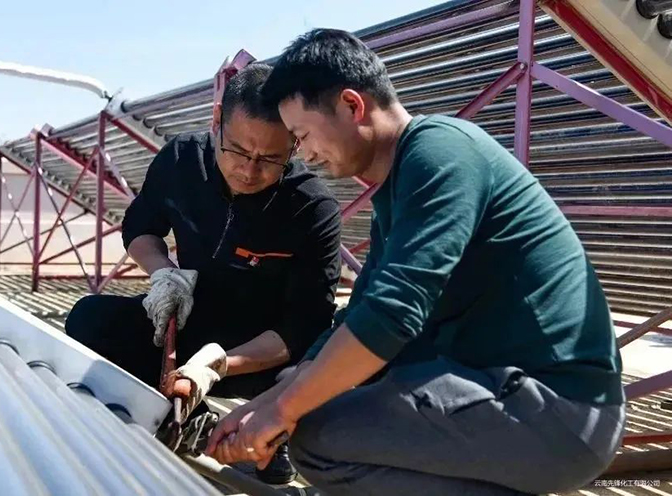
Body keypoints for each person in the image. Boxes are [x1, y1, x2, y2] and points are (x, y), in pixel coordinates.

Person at [205, 29, 626, 495]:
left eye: (302, 135)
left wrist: (283, 412)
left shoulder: (441, 152)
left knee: (319, 435)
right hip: (505, 396)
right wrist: (267, 402)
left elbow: (391, 315)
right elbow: (360, 313)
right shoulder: (398, 188)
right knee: (303, 393)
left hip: (559, 409)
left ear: (351, 105)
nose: (304, 154)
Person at [65, 63, 342, 484]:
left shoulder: (312, 209)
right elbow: (140, 228)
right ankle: (184, 417)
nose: (249, 170)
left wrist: (219, 365)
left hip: (261, 354)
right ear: (217, 120)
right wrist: (163, 274)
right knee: (90, 319)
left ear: (295, 143)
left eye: (271, 159)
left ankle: (264, 436)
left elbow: (302, 327)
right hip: (190, 321)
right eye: (238, 151)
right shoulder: (181, 161)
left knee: (316, 385)